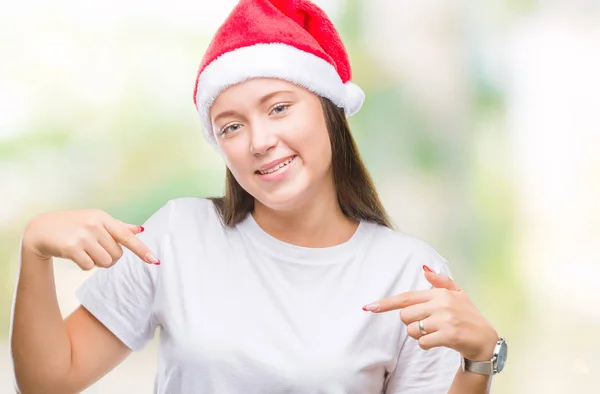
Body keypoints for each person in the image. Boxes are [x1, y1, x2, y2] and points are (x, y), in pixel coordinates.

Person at [9, 0, 508, 393]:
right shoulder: (177, 236)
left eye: (279, 108)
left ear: (329, 111)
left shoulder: (407, 271)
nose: (259, 141)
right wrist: (33, 252)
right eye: (231, 126)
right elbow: (49, 382)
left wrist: (480, 362)